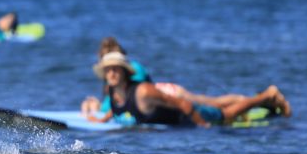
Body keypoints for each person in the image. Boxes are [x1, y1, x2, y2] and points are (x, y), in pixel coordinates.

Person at [90, 51, 291, 127]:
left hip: (186, 115)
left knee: (225, 114)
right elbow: (120, 109)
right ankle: (263, 99)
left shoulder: (143, 91)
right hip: (175, 118)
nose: (112, 73)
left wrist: (202, 126)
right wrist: (100, 119)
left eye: (116, 69)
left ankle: (267, 95)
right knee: (218, 103)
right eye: (108, 70)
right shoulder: (113, 93)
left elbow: (181, 103)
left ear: (125, 72)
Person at [81, 37, 251, 117]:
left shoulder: (133, 69)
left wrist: (98, 110)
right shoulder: (115, 76)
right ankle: (242, 101)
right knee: (207, 101)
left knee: (209, 102)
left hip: (170, 93)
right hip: (164, 93)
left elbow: (133, 97)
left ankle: (244, 100)